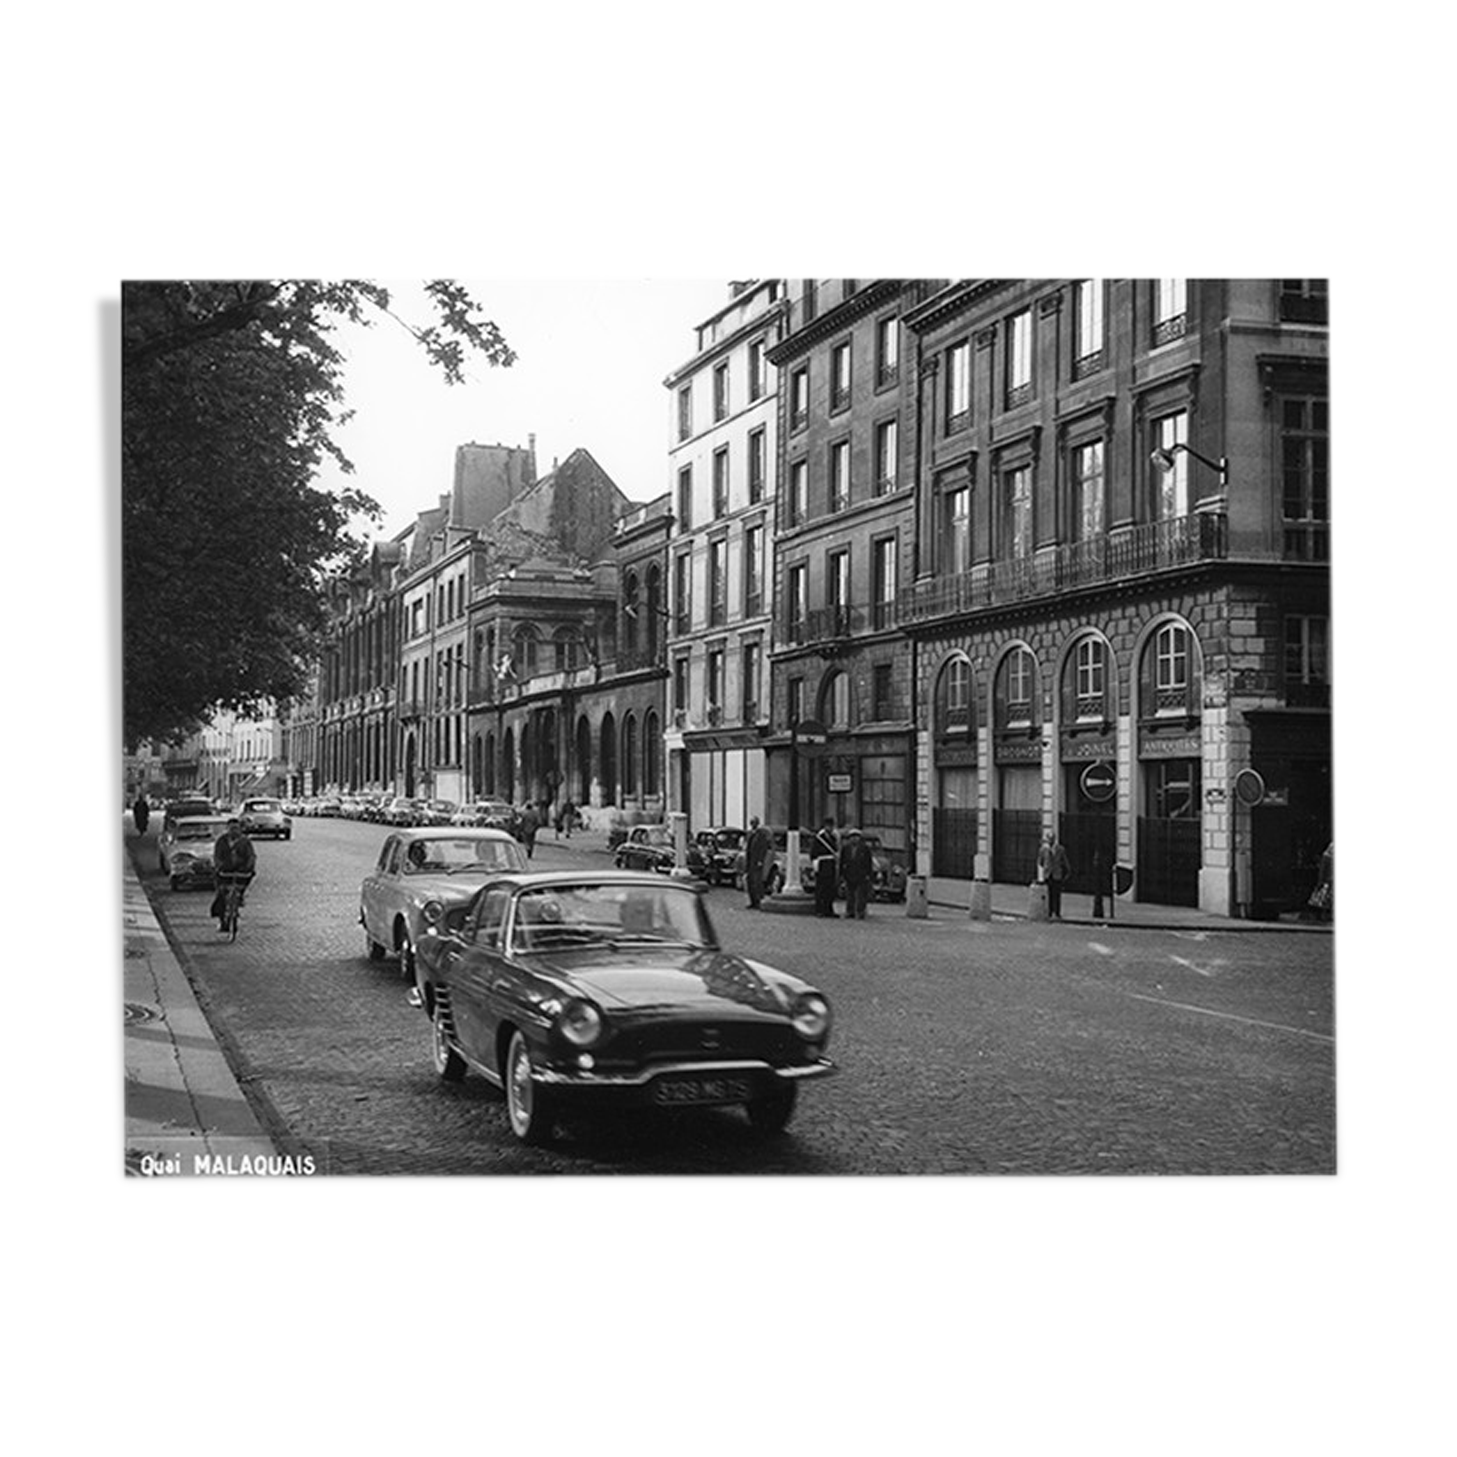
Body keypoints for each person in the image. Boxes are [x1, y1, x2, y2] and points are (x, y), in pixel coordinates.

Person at [209, 817, 257, 930]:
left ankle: (239, 897)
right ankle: (222, 920)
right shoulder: (221, 841)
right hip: (225, 871)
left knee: (243, 884)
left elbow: (251, 856)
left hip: (241, 871)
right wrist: (219, 866)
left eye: (236, 828)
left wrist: (248, 868)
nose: (234, 831)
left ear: (240, 829)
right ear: (227, 829)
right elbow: (217, 856)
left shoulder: (245, 842)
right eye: (231, 829)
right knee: (221, 895)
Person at [839, 826, 874, 920]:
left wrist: (869, 875)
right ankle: (850, 911)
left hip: (861, 875)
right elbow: (842, 862)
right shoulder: (846, 848)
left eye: (856, 836)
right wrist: (841, 875)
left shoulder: (865, 849)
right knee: (849, 895)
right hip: (849, 874)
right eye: (852, 837)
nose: (854, 839)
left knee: (861, 895)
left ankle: (860, 912)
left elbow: (868, 863)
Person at [1037, 830, 1071, 919]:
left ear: (1054, 839)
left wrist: (1067, 870)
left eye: (1052, 839)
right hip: (1048, 875)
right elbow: (1040, 862)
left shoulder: (1060, 849)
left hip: (1057, 874)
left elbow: (1064, 861)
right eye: (1049, 839)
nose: (1050, 841)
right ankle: (1049, 912)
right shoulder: (1043, 850)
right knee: (1048, 894)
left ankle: (1057, 912)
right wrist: (1045, 869)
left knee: (1057, 894)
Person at [744, 815, 774, 909]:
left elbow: (763, 848)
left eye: (754, 822)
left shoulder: (761, 835)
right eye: (751, 822)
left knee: (757, 882)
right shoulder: (750, 834)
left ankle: (758, 901)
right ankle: (752, 901)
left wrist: (760, 860)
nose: (752, 824)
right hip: (750, 861)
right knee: (750, 882)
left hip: (757, 861)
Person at [813, 818, 840, 918]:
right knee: (821, 889)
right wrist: (816, 867)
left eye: (831, 826)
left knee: (830, 889)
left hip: (831, 865)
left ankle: (829, 909)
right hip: (822, 865)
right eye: (828, 825)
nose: (830, 828)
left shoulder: (833, 838)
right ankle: (819, 910)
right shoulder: (819, 838)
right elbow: (814, 853)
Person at [1307, 840, 1338, 921]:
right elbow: (1324, 870)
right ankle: (1324, 915)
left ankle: (1325, 915)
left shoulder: (1327, 857)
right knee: (1325, 899)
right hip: (1327, 881)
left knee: (1325, 899)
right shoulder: (1328, 857)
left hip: (1328, 880)